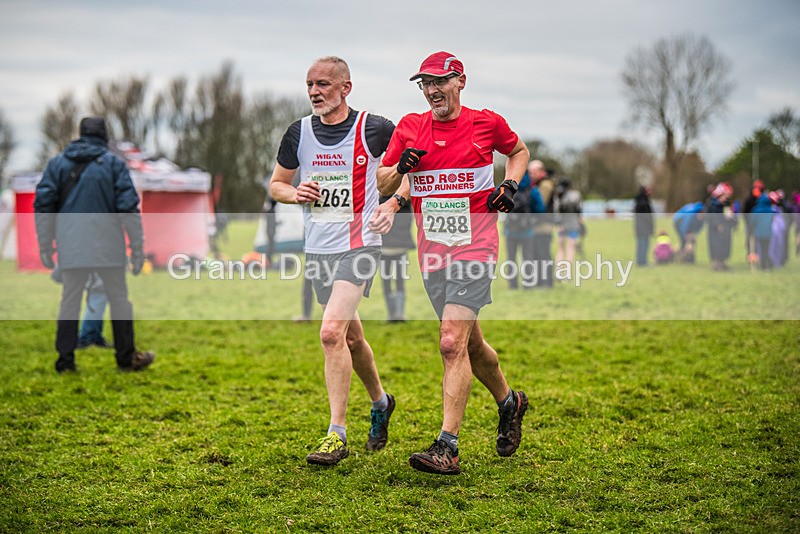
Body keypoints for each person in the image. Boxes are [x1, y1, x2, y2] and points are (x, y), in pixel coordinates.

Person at [372, 51, 529, 475]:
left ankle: (448, 446)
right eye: (425, 83)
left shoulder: (486, 123)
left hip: (476, 246)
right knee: (470, 345)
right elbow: (383, 179)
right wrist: (400, 168)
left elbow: (518, 150)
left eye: (439, 81)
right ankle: (510, 402)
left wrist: (509, 185)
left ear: (460, 80)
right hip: (433, 252)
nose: (431, 90)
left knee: (448, 341)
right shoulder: (410, 127)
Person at [269, 56, 396, 466]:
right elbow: (276, 184)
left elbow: (414, 165)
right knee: (351, 339)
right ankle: (380, 402)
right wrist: (295, 194)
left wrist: (394, 202)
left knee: (329, 333)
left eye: (323, 83)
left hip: (360, 245)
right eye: (309, 84)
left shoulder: (374, 128)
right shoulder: (298, 132)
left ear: (346, 87)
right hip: (319, 248)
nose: (314, 91)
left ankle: (336, 434)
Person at [34, 117, 155, 373]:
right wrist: (137, 247)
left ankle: (65, 361)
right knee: (119, 301)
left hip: (71, 244)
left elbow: (44, 205)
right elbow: (128, 208)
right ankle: (126, 359)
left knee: (69, 302)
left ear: (80, 134)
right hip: (108, 245)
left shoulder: (57, 164)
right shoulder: (114, 165)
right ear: (104, 136)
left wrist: (45, 243)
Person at [378, 194, 415, 321]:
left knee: (386, 282)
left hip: (384, 248)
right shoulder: (403, 202)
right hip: (401, 247)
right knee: (400, 280)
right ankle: (399, 313)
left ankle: (392, 314)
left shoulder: (380, 201)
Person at [502, 166, 534, 289]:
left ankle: (513, 285)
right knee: (527, 258)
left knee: (511, 258)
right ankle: (528, 283)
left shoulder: (506, 187)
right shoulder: (532, 189)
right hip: (527, 229)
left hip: (510, 230)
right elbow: (540, 207)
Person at [529, 161, 554, 288]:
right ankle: (540, 281)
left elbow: (540, 205)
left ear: (541, 171)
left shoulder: (545, 185)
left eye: (533, 172)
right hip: (538, 225)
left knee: (543, 254)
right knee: (537, 254)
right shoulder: (538, 184)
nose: (531, 175)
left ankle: (547, 282)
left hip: (544, 225)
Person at [701, 182, 736, 271]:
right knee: (715, 245)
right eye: (725, 195)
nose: (726, 198)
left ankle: (723, 262)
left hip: (725, 230)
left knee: (725, 245)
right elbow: (708, 216)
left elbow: (732, 217)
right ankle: (715, 262)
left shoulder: (727, 204)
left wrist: (731, 218)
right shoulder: (711, 203)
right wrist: (717, 224)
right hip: (714, 230)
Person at [554, 177, 583, 275]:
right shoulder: (576, 195)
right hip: (573, 224)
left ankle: (559, 271)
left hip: (561, 225)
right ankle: (567, 272)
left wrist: (559, 223)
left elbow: (556, 211)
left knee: (560, 248)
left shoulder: (558, 195)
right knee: (571, 248)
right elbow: (579, 210)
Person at [633, 186, 654, 266]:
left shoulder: (639, 202)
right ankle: (642, 261)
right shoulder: (644, 203)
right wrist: (650, 227)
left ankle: (640, 260)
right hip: (644, 228)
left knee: (641, 244)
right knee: (643, 244)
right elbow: (647, 217)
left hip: (639, 227)